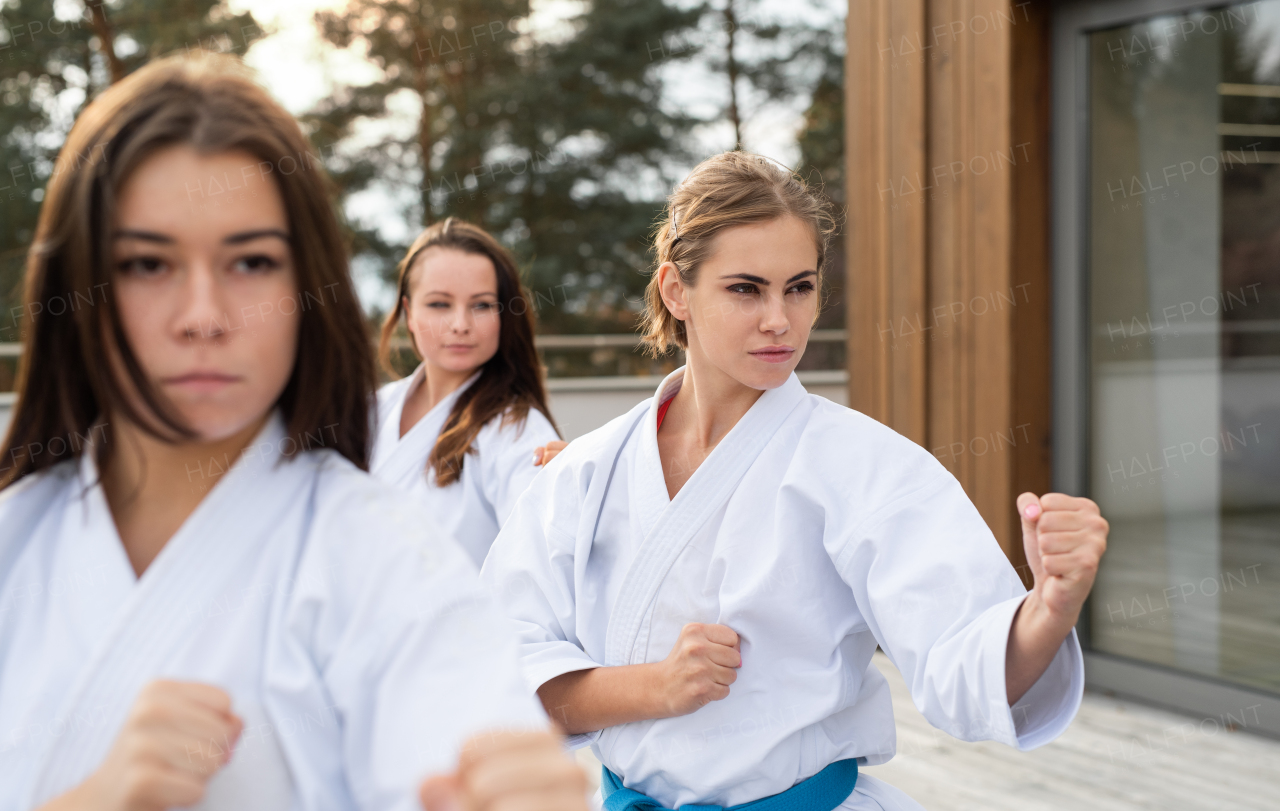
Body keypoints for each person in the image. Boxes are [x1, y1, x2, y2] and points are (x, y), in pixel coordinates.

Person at [0, 54, 587, 811]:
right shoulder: (16, 534)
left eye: (251, 261)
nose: (203, 315)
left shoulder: (391, 568)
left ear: (307, 285)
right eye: (147, 262)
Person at [480, 152, 1109, 811]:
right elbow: (499, 665)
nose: (780, 319)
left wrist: (1048, 607)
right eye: (746, 288)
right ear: (675, 291)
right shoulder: (587, 471)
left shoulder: (866, 464)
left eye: (800, 287)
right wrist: (654, 687)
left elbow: (964, 661)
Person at [372, 219, 565, 569]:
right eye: (439, 304)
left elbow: (549, 561)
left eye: (481, 305)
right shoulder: (368, 411)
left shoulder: (519, 431)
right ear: (408, 314)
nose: (460, 323)